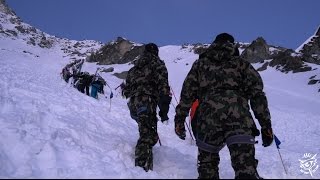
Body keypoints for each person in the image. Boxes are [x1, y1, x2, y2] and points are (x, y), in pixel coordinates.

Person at [173, 33, 273, 179]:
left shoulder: (200, 65)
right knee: (245, 168)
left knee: (207, 167)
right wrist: (266, 126)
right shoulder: (242, 64)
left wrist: (179, 120)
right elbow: (257, 96)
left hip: (208, 122)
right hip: (239, 119)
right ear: (232, 45)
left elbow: (187, 95)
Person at [122, 43, 171, 172]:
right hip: (147, 101)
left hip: (134, 104)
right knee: (148, 134)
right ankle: (142, 169)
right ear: (156, 52)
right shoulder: (157, 64)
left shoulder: (134, 68)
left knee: (146, 129)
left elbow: (126, 90)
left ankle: (144, 161)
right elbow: (164, 87)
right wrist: (164, 112)